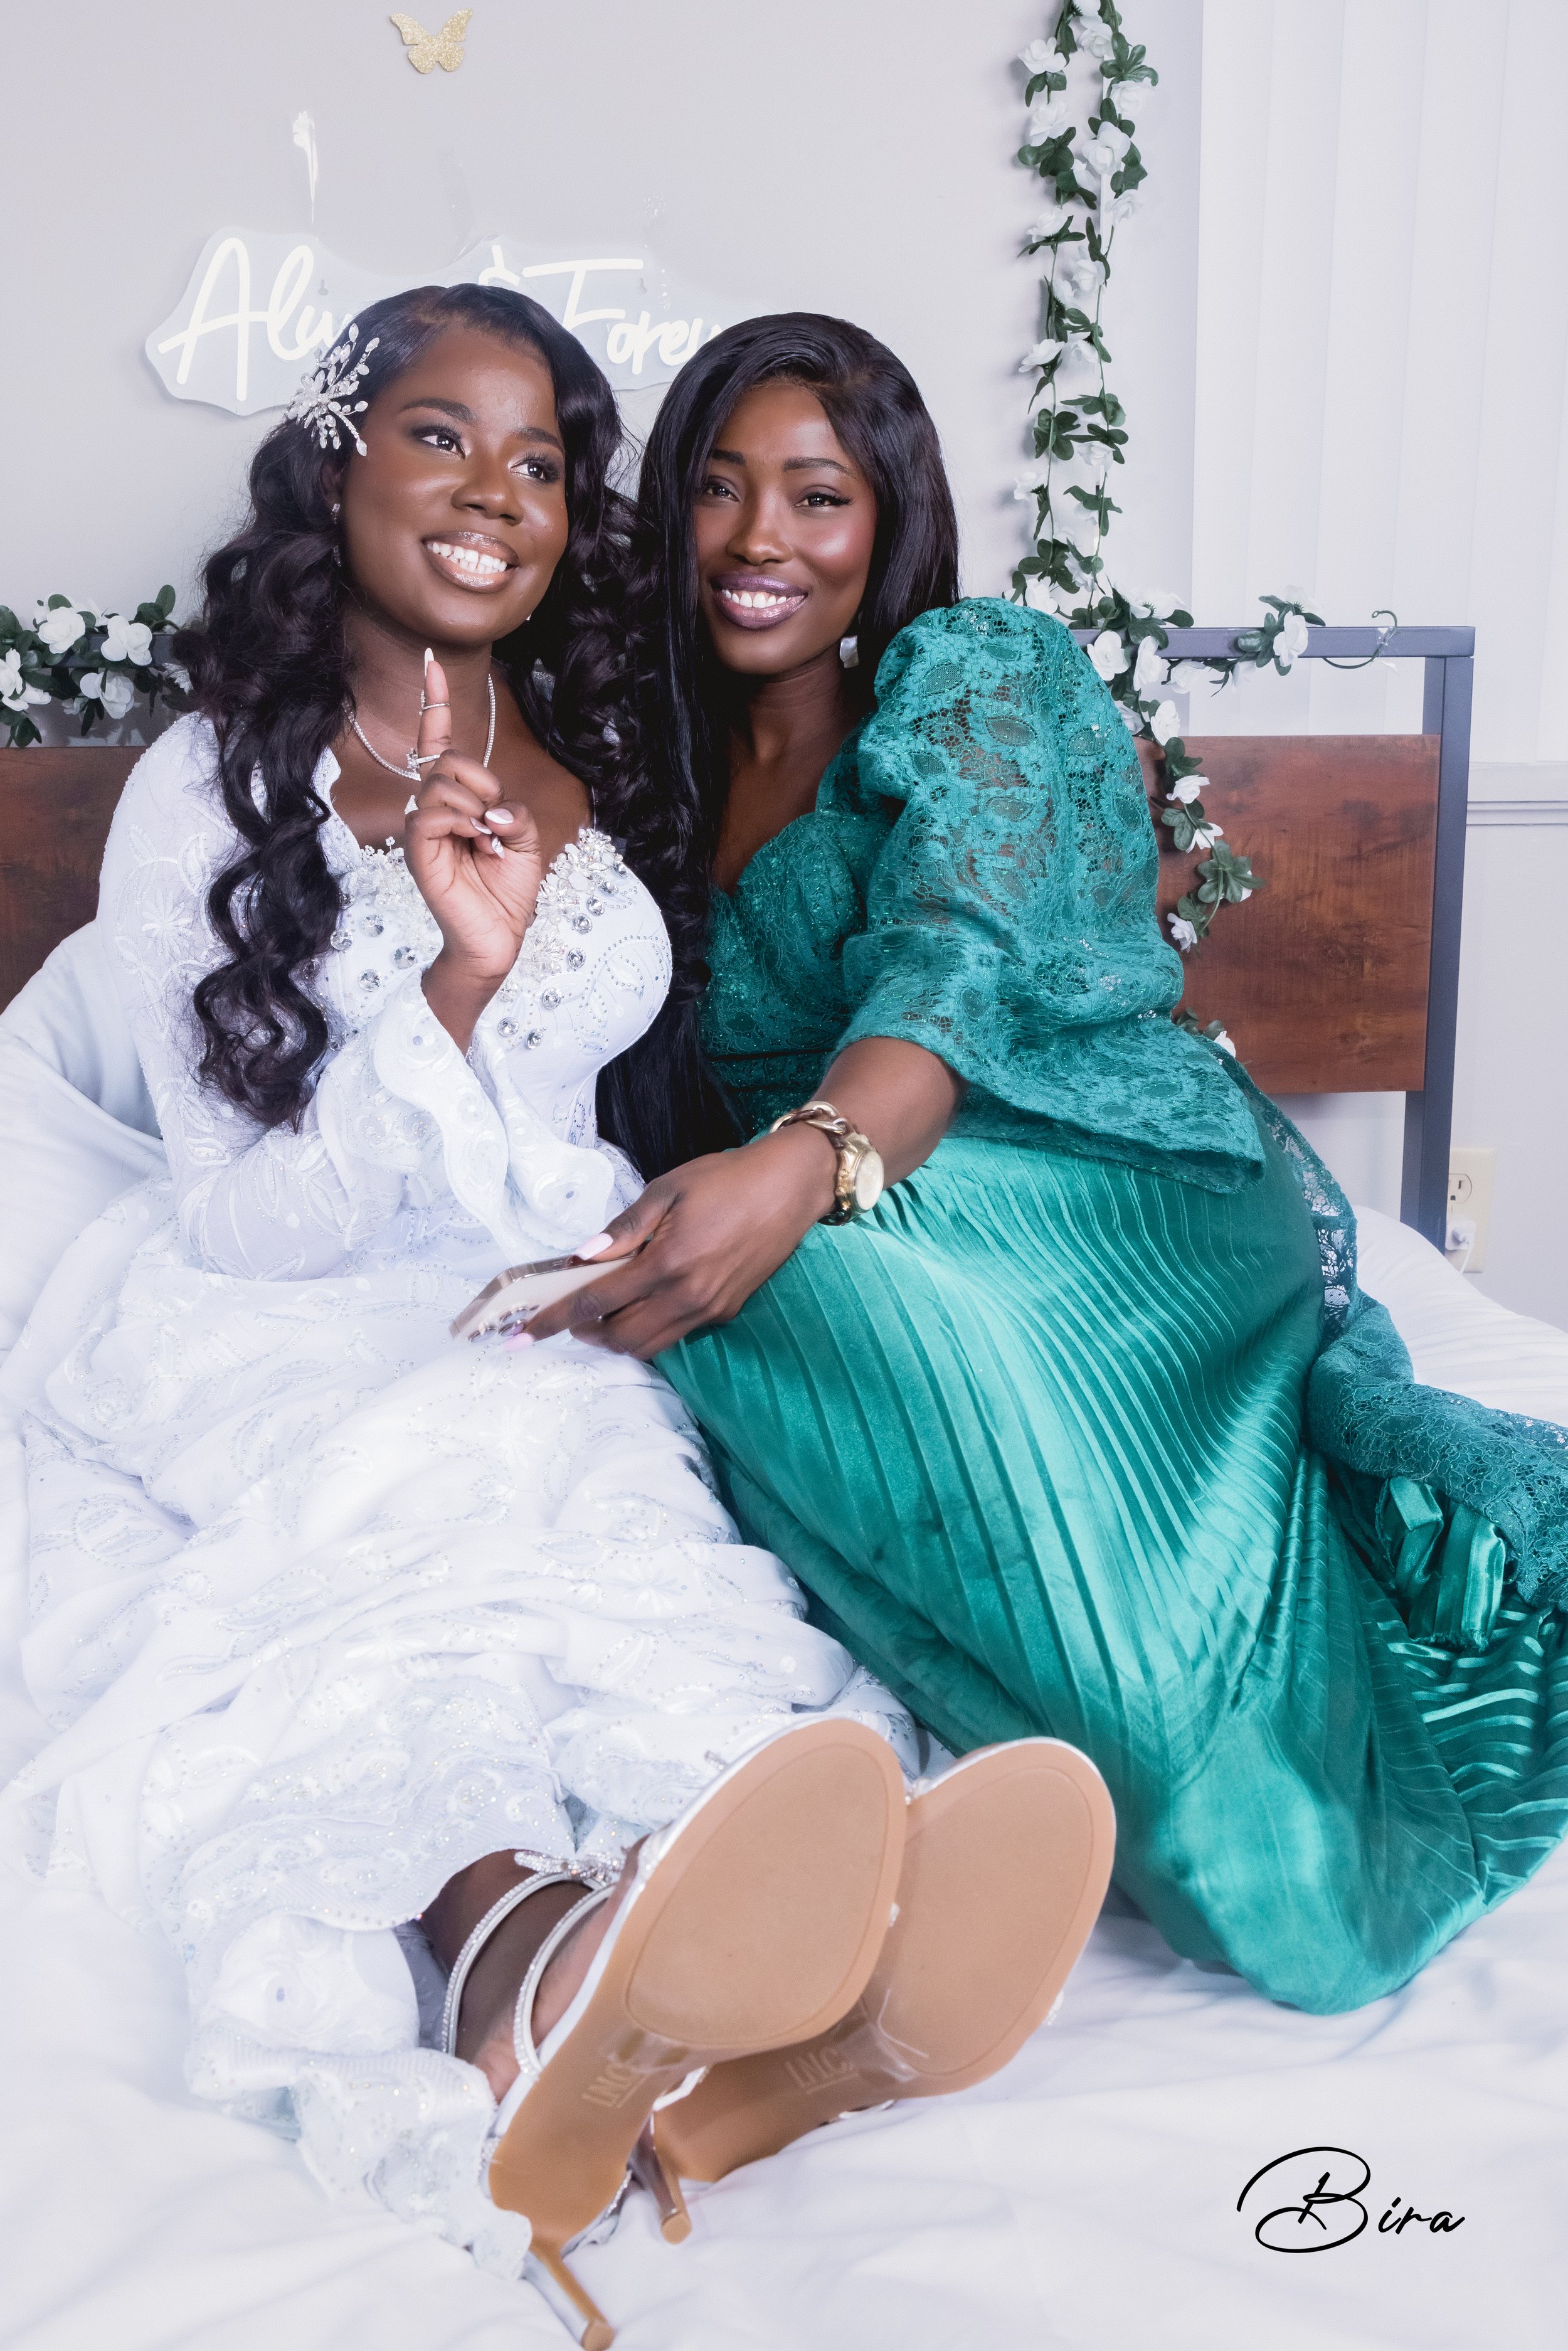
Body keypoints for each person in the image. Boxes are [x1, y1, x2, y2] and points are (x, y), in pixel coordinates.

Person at [0, 288, 1114, 2348]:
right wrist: (438, 991)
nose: (493, 497)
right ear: (337, 469)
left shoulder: (611, 758)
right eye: (439, 438)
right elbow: (240, 1218)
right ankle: (519, 1952)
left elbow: (638, 1098)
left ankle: (745, 1979)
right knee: (398, 1548)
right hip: (279, 1307)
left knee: (618, 1547)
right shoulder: (197, 788)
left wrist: (636, 1241)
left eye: (537, 462)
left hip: (537, 1283)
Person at [525, 311, 1568, 2025]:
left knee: (787, 1277)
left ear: (889, 522)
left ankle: (1258, 1809)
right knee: (685, 1290)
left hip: (1107, 1186)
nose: (759, 539)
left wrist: (799, 1166)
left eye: (815, 494)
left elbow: (955, 958)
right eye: (716, 491)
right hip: (893, 1216)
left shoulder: (973, 672)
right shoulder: (656, 781)